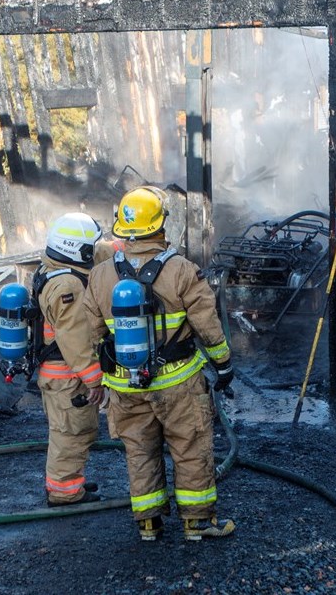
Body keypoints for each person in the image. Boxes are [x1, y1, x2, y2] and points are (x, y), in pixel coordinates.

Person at [82, 186, 236, 542]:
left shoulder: (100, 275)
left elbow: (92, 333)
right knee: (191, 447)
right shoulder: (182, 269)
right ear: (160, 226)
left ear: (122, 226)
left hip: (125, 385)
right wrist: (223, 364)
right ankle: (197, 523)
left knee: (139, 451)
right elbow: (207, 325)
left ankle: (148, 524)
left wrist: (100, 378)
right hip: (178, 383)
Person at [34, 212, 106, 507]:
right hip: (68, 376)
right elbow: (75, 338)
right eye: (89, 248)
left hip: (56, 374)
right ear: (77, 250)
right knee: (72, 432)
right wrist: (94, 379)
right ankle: (65, 491)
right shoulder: (69, 287)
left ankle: (66, 481)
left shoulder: (50, 269)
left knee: (65, 431)